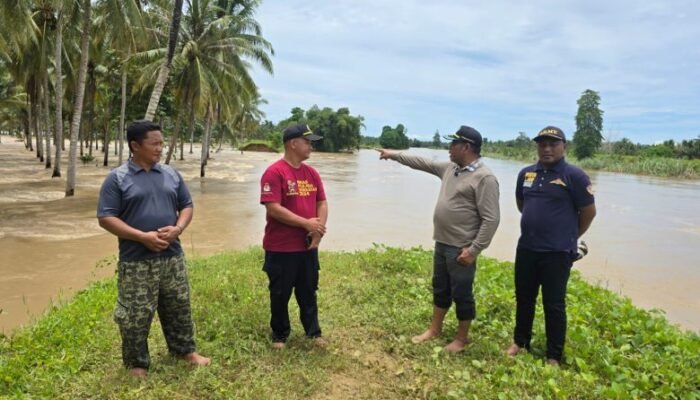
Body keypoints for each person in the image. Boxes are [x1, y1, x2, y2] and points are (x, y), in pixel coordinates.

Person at [97, 120, 210, 377]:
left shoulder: (170, 174)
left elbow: (187, 205)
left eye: (162, 142)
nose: (161, 148)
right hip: (136, 260)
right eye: (155, 143)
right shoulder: (117, 179)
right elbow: (106, 218)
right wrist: (141, 237)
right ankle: (137, 363)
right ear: (135, 145)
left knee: (179, 305)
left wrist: (178, 229)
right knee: (135, 314)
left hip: (172, 256)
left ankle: (185, 351)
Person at [377, 125, 500, 353]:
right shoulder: (452, 168)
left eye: (453, 144)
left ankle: (461, 339)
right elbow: (423, 163)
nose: (448, 148)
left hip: (461, 248)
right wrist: (393, 155)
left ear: (466, 147)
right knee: (440, 288)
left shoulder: (485, 178)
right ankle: (435, 330)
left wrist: (473, 250)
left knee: (462, 293)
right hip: (442, 243)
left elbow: (491, 219)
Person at [505, 126, 597, 366]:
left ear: (564, 147)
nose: (546, 148)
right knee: (524, 298)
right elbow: (521, 204)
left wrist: (569, 236)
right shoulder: (526, 174)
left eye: (553, 144)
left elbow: (589, 212)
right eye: (542, 144)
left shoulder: (574, 176)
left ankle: (554, 355)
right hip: (527, 248)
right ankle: (520, 341)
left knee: (554, 304)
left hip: (557, 253)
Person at [259, 124, 329, 349]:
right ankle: (280, 335)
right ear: (293, 143)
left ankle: (313, 332)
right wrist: (306, 223)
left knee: (309, 290)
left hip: (308, 246)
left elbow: (322, 202)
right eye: (308, 142)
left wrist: (317, 231)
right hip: (281, 247)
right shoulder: (274, 172)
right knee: (280, 293)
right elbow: (273, 208)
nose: (311, 146)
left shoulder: (312, 173)